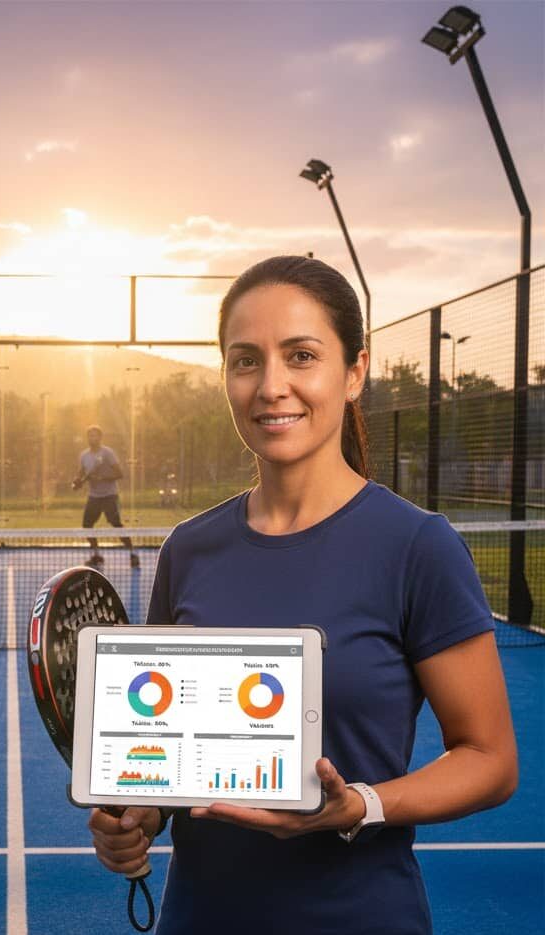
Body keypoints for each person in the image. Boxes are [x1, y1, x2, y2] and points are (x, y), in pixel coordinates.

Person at [88, 256, 517, 933]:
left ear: (354, 373)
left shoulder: (417, 547)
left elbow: (491, 761)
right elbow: (171, 751)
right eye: (246, 360)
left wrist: (364, 805)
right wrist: (140, 815)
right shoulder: (188, 550)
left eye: (302, 355)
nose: (272, 386)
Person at [72, 425, 139, 568]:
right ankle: (97, 556)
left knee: (116, 525)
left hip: (110, 496)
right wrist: (77, 481)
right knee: (87, 525)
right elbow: (81, 472)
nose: (92, 438)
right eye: (90, 436)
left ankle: (133, 554)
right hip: (94, 497)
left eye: (95, 436)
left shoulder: (108, 453)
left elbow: (120, 473)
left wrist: (102, 478)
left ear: (100, 438)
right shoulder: (84, 455)